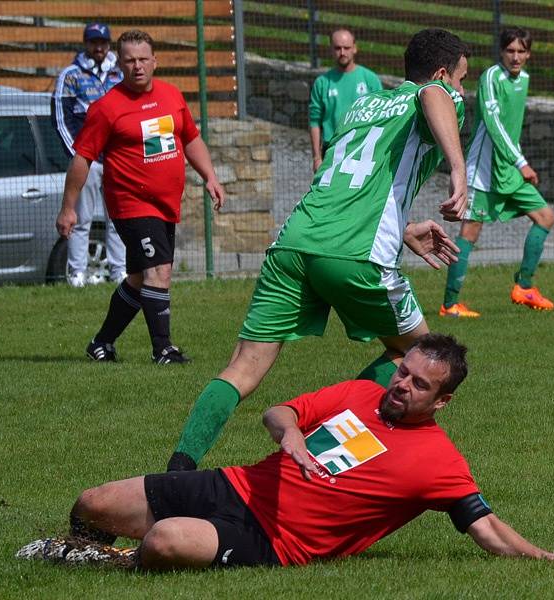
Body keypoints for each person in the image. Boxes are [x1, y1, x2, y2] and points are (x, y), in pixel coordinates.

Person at [165, 28, 470, 472]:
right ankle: (321, 448)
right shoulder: (435, 95)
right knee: (423, 357)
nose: (462, 90)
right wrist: (458, 171)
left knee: (242, 368)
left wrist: (401, 227)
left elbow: (347, 181)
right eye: (461, 79)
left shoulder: (363, 104)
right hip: (354, 253)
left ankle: (178, 473)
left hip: (294, 243)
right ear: (443, 73)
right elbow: (434, 98)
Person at [16, 334, 554, 570]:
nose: (401, 385)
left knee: (164, 541)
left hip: (276, 540)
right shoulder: (360, 394)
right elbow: (278, 412)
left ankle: (104, 566)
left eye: (418, 385)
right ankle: (76, 549)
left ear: (441, 402)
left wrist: (548, 562)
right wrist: (288, 433)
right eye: (403, 371)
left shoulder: (439, 462)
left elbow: (485, 527)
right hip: (239, 485)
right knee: (92, 500)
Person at [55, 29, 226, 364]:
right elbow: (82, 158)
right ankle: (163, 349)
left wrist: (210, 176)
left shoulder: (172, 96)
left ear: (155, 62)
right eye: (130, 61)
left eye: (143, 59)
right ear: (120, 64)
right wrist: (68, 209)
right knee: (159, 271)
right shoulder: (106, 108)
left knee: (138, 278)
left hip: (165, 204)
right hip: (131, 203)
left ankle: (101, 344)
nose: (137, 67)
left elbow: (190, 138)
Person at [440, 28, 554, 318]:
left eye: (521, 51)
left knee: (545, 217)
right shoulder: (491, 77)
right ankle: (450, 304)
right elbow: (493, 125)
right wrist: (522, 163)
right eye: (510, 51)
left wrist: (517, 163)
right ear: (501, 52)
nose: (515, 57)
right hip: (483, 170)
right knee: (469, 231)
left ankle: (524, 288)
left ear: (528, 54)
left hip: (510, 168)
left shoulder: (525, 80)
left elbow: (511, 127)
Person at [52, 22, 126, 287]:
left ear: (109, 44)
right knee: (81, 219)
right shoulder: (71, 75)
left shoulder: (120, 73)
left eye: (103, 43)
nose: (99, 48)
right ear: (85, 44)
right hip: (89, 162)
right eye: (94, 42)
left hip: (119, 161)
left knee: (118, 218)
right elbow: (62, 119)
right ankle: (77, 274)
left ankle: (120, 272)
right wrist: (81, 156)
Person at [309, 28, 382, 172]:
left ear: (354, 48)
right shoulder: (322, 83)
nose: (342, 52)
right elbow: (314, 121)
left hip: (363, 150)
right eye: (337, 48)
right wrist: (317, 157)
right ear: (331, 49)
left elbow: (383, 118)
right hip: (332, 150)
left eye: (346, 48)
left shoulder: (370, 80)